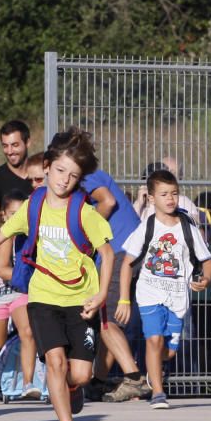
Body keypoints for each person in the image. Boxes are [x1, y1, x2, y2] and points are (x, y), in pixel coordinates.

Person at [0, 131, 113, 421]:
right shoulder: (34, 206)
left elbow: (108, 254)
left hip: (82, 300)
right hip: (44, 298)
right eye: (60, 171)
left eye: (73, 175)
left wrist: (102, 294)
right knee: (56, 363)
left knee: (81, 374)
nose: (65, 180)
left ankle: (73, 388)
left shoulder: (83, 211)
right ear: (47, 167)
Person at [49, 129, 147, 403]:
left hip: (119, 249)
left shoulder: (86, 175)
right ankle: (99, 381)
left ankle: (133, 377)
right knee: (108, 319)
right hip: (126, 248)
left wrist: (84, 232)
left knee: (104, 319)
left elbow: (108, 201)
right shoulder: (83, 177)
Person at [116, 169, 211, 409]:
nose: (170, 199)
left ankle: (153, 369)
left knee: (167, 352)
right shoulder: (146, 227)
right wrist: (123, 300)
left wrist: (207, 278)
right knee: (153, 340)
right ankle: (158, 392)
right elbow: (127, 264)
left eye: (174, 193)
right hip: (149, 294)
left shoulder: (188, 228)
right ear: (151, 198)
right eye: (164, 194)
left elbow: (206, 260)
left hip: (178, 297)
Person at [0, 191, 41, 399]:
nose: (17, 218)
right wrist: (37, 278)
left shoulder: (32, 234)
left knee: (28, 332)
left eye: (22, 213)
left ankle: (28, 383)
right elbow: (3, 269)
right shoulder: (6, 237)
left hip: (20, 291)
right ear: (4, 215)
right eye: (13, 213)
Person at [0, 120, 33, 236]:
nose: (9, 152)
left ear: (28, 142)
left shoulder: (41, 175)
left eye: (15, 145)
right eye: (5, 146)